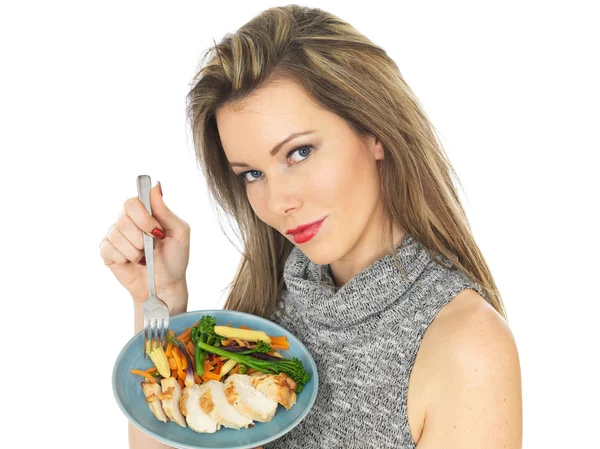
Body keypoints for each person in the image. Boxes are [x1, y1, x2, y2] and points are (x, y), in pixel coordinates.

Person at [99, 5, 522, 449]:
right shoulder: (270, 299)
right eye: (252, 174)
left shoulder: (468, 349)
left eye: (299, 153)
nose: (278, 203)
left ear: (375, 130)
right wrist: (160, 300)